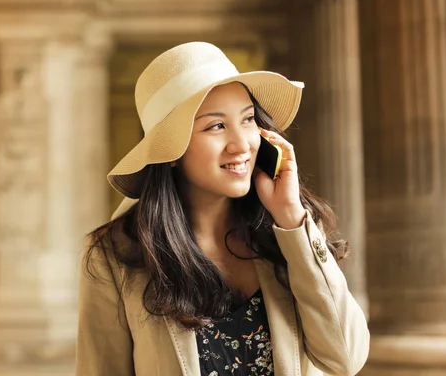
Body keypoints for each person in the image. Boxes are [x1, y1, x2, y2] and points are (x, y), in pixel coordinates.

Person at [76, 42, 369, 376]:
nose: (241, 144)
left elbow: (346, 357)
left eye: (247, 120)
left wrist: (291, 219)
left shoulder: (290, 230)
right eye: (216, 126)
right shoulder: (115, 255)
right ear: (170, 150)